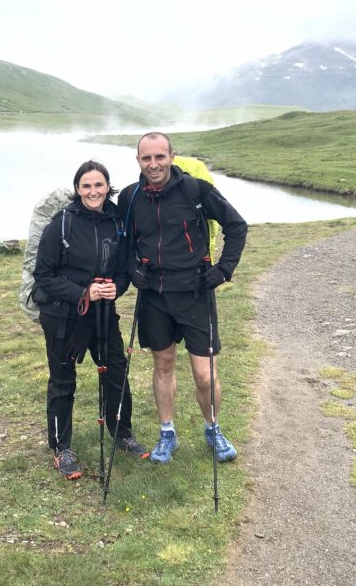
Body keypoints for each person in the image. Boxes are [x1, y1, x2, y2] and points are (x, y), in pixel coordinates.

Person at [123, 132, 248, 464]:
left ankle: (213, 428)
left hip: (195, 293)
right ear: (138, 161)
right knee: (163, 364)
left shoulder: (197, 191)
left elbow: (236, 225)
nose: (153, 164)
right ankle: (167, 433)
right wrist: (131, 268)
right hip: (154, 296)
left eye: (159, 157)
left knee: (205, 374)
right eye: (146, 158)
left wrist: (223, 269)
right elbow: (122, 242)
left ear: (172, 156)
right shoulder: (130, 198)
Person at [33, 160, 150, 480]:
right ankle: (61, 448)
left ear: (107, 186)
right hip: (62, 315)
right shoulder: (61, 224)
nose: (93, 191)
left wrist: (117, 288)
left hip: (102, 313)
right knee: (63, 379)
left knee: (116, 370)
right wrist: (83, 292)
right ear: (77, 190)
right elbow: (42, 275)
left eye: (99, 185)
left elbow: (125, 269)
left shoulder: (117, 222)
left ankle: (122, 432)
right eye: (86, 186)